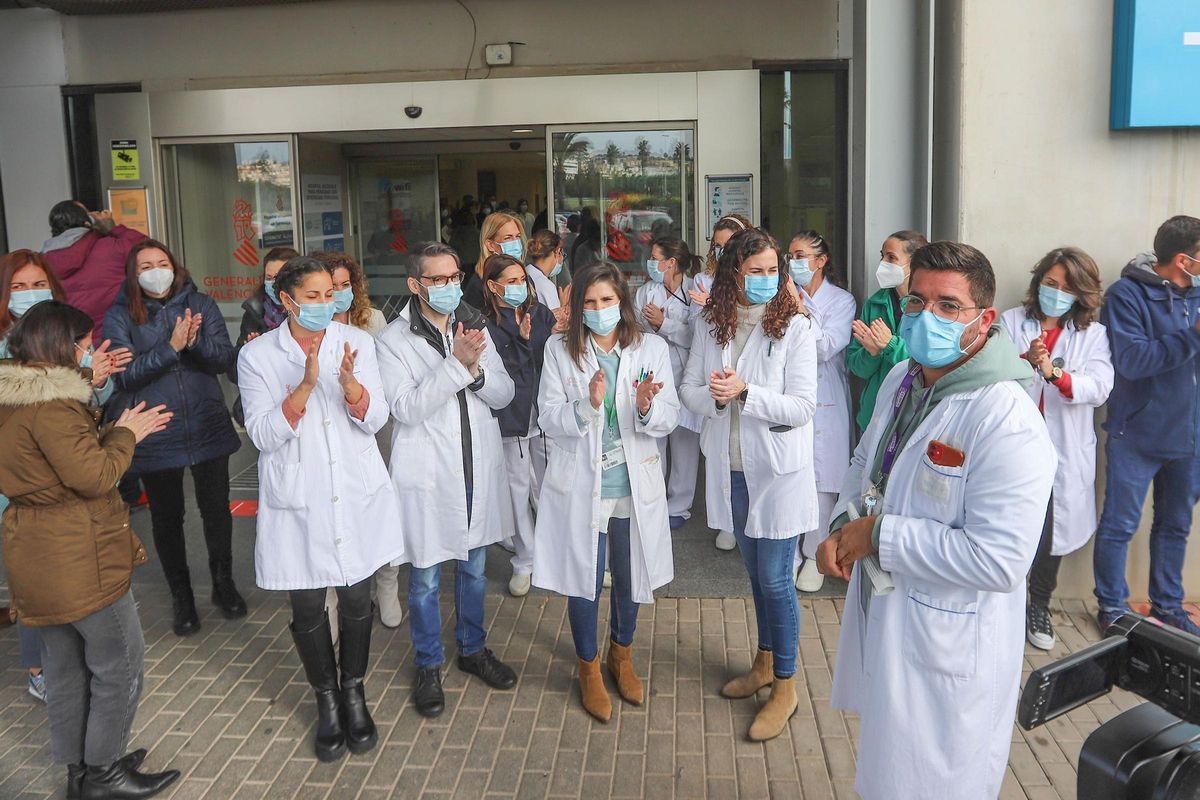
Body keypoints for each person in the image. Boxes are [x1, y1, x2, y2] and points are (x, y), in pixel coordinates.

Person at [818, 241, 1055, 799]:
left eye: (949, 306)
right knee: (886, 773)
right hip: (894, 616)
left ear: (985, 320)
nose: (929, 317)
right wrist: (840, 524)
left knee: (931, 784)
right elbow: (865, 460)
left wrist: (878, 535)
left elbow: (999, 560)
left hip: (949, 648)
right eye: (918, 303)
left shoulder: (1006, 417)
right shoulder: (905, 376)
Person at [0, 300, 178, 800]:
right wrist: (126, 433)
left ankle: (82, 768)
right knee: (119, 664)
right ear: (61, 345)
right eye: (83, 341)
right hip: (77, 554)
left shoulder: (15, 396)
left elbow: (52, 462)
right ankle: (104, 774)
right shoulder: (52, 405)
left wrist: (99, 421)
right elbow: (93, 475)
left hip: (36, 550)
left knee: (66, 668)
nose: (89, 348)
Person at [238, 256, 403, 762]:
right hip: (299, 497)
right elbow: (263, 435)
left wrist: (351, 387)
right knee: (308, 607)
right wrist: (306, 388)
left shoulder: (359, 342)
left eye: (328, 294)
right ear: (285, 301)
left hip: (354, 492)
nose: (324, 304)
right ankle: (326, 698)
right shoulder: (258, 356)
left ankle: (354, 691)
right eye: (311, 296)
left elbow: (376, 418)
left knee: (356, 600)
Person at [680, 228, 818, 741]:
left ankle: (786, 686)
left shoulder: (797, 326)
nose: (766, 279)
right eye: (754, 270)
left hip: (779, 471)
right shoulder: (711, 323)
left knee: (778, 579)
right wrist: (716, 399)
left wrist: (745, 393)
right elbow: (689, 390)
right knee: (755, 574)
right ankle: (764, 664)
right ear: (732, 272)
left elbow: (802, 407)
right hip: (731, 467)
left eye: (772, 270)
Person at [376, 242, 519, 719]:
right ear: (416, 286)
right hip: (428, 475)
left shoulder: (474, 324)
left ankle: (472, 650)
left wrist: (475, 374)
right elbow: (407, 408)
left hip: (477, 466)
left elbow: (504, 394)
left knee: (474, 568)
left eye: (454, 276)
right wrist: (457, 364)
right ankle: (428, 663)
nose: (449, 286)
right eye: (437, 280)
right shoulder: (393, 341)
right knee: (425, 578)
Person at [535, 261, 678, 723]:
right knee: (585, 578)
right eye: (590, 303)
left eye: (607, 301)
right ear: (578, 308)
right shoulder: (560, 351)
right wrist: (587, 404)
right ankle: (589, 666)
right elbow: (548, 417)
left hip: (633, 485)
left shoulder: (650, 348)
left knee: (631, 572)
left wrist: (646, 407)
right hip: (583, 485)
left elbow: (669, 416)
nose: (599, 310)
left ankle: (621, 653)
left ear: (622, 302)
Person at [103, 240, 246, 637]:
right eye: (145, 265)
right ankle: (182, 596)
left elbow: (224, 359)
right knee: (167, 518)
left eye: (161, 263)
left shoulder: (200, 303)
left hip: (206, 424)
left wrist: (196, 342)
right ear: (133, 275)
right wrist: (171, 348)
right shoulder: (119, 315)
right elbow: (125, 377)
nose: (154, 270)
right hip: (156, 427)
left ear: (174, 266)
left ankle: (224, 583)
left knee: (216, 509)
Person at [1000, 247, 1112, 649]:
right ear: (1038, 281)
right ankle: (1005, 603)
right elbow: (992, 372)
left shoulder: (1092, 335)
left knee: (1049, 531)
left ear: (1081, 294)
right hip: (1016, 446)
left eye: (1066, 286)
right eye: (1050, 282)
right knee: (1011, 524)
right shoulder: (1012, 320)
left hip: (1063, 450)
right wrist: (1026, 361)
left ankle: (1039, 603)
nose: (1056, 291)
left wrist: (1055, 373)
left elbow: (1099, 387)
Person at [1094, 215, 1200, 635]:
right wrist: (1193, 335)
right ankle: (1112, 607)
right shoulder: (1126, 295)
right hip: (1135, 435)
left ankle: (1169, 607)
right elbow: (1133, 362)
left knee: (1175, 525)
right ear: (1182, 259)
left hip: (1189, 439)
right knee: (1120, 524)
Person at [314, 249, 401, 628]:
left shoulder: (373, 320)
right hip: (328, 433)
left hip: (373, 426)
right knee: (335, 514)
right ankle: (335, 597)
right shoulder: (309, 328)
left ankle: (387, 584)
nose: (339, 293)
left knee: (380, 507)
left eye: (345, 285)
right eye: (330, 287)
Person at [782, 231, 856, 592]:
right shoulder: (780, 295)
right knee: (791, 472)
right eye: (790, 255)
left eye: (800, 255)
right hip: (788, 394)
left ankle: (814, 554)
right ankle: (789, 552)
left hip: (825, 398)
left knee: (823, 480)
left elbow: (826, 347)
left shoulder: (841, 301)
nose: (792, 261)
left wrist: (801, 311)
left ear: (821, 260)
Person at [479, 253, 556, 596]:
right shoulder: (484, 323)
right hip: (511, 418)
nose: (518, 288)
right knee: (517, 491)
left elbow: (549, 359)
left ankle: (559, 555)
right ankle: (525, 560)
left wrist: (556, 332)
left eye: (521, 280)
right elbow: (500, 371)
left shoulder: (539, 313)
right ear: (492, 286)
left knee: (551, 488)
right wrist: (523, 342)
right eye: (509, 282)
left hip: (544, 415)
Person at [686, 213, 753, 551]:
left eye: (732, 246)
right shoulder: (703, 279)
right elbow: (695, 328)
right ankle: (726, 522)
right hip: (720, 401)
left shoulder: (772, 301)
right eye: (719, 246)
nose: (724, 252)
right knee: (721, 463)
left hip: (760, 418)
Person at [635, 236, 702, 530]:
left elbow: (699, 336)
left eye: (655, 257)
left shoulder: (695, 290)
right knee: (654, 442)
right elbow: (634, 332)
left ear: (671, 263)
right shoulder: (646, 292)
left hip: (687, 375)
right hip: (655, 377)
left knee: (685, 445)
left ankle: (679, 506)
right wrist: (651, 326)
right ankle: (654, 502)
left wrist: (665, 325)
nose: (650, 263)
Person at [846, 230, 928, 431]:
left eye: (891, 258)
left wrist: (890, 345)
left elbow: (927, 363)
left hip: (913, 415)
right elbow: (857, 367)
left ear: (914, 262)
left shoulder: (929, 306)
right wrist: (871, 353)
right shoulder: (874, 303)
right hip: (874, 415)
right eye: (882, 256)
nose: (883, 263)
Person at [41, 200, 147, 344]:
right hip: (115, 340)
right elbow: (149, 251)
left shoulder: (42, 261)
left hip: (73, 346)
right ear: (87, 222)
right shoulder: (112, 247)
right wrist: (113, 228)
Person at [230, 246, 298, 425]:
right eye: (269, 278)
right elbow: (233, 372)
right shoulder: (255, 310)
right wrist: (249, 353)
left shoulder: (308, 311)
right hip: (267, 410)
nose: (273, 283)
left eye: (279, 277)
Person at [464, 211, 527, 309]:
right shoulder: (478, 285)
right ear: (490, 245)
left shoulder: (525, 277)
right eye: (508, 238)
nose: (515, 242)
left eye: (518, 236)